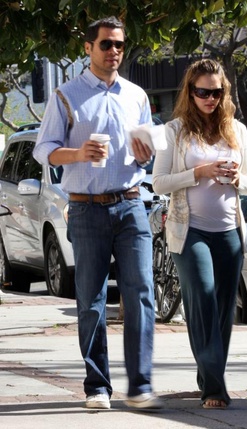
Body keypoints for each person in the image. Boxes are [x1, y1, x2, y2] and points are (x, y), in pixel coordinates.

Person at [33, 16, 162, 410]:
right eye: (106, 44)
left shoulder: (137, 96)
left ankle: (139, 386)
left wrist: (149, 151)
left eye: (119, 45)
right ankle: (97, 387)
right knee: (90, 299)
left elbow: (149, 146)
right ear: (88, 48)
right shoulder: (67, 96)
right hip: (86, 209)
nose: (114, 51)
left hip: (131, 203)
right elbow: (45, 149)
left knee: (141, 295)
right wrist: (79, 153)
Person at [152, 59, 247, 409]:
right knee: (203, 300)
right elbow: (159, 181)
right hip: (189, 231)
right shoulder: (174, 131)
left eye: (216, 92)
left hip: (229, 232)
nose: (210, 98)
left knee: (224, 310)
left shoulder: (237, 131)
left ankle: (208, 375)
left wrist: (235, 179)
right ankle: (214, 386)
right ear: (190, 92)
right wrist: (198, 172)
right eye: (202, 92)